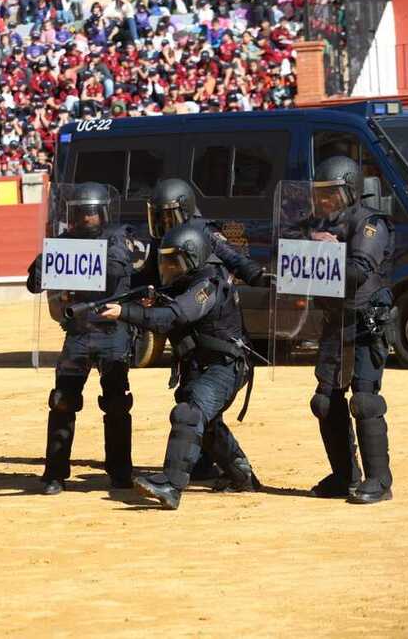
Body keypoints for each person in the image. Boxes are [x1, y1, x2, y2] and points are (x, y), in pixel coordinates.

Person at [100, 224, 258, 510]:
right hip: (203, 363)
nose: (168, 268)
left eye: (175, 261)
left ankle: (171, 485)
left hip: (226, 365)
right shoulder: (187, 282)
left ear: (195, 258)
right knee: (205, 423)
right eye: (166, 260)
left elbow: (172, 318)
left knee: (188, 412)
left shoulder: (208, 284)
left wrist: (126, 312)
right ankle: (241, 473)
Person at [25, 182, 136, 495]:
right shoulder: (62, 242)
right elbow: (33, 283)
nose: (86, 219)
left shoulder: (118, 238)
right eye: (79, 213)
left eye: (90, 213)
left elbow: (116, 271)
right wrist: (46, 258)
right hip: (77, 334)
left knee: (116, 404)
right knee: (62, 401)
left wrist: (75, 252)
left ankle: (120, 472)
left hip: (112, 332)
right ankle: (55, 473)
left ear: (101, 212)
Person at [306, 156, 395, 504]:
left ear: (350, 191)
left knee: (365, 400)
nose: (324, 200)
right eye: (321, 194)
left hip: (364, 322)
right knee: (325, 400)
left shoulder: (370, 223)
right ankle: (345, 475)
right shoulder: (322, 223)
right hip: (334, 322)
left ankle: (379, 480)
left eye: (331, 193)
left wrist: (330, 250)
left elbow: (357, 270)